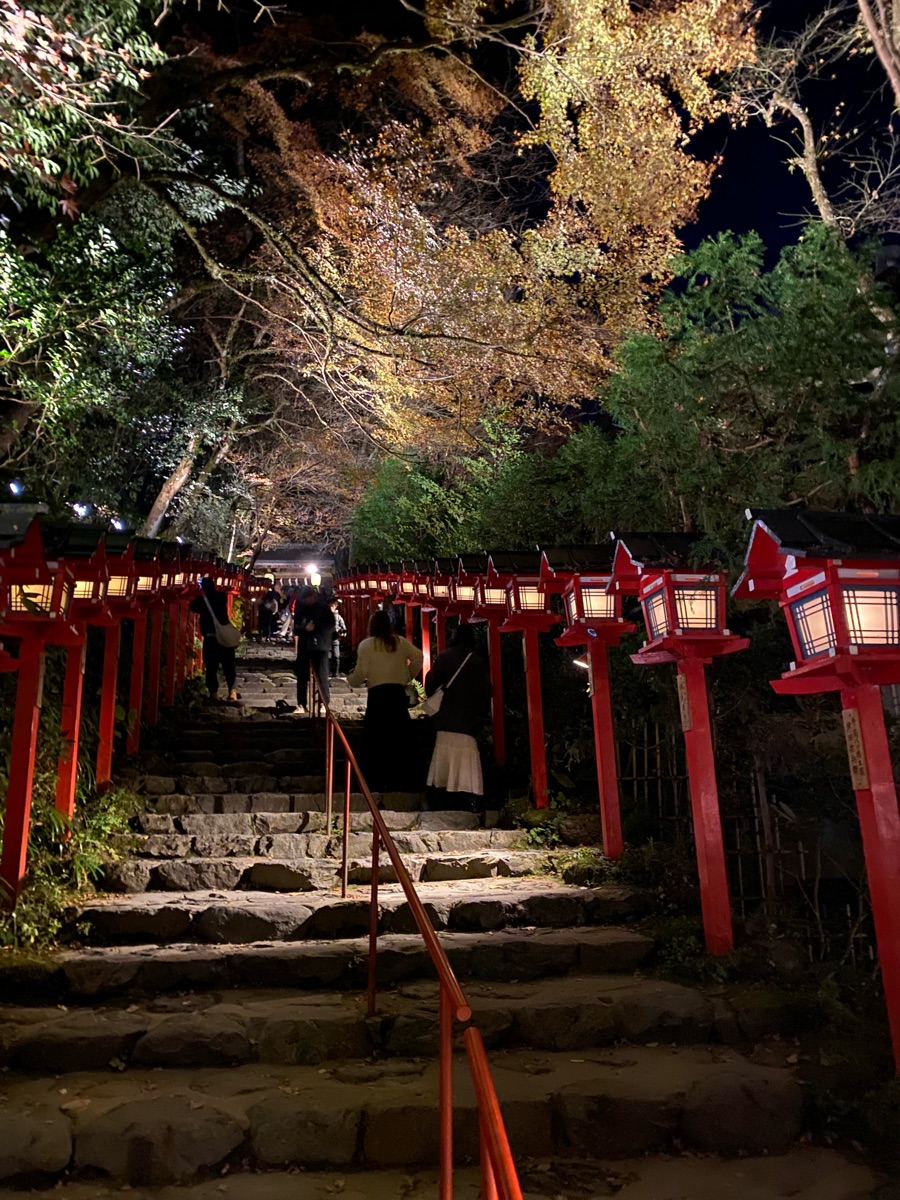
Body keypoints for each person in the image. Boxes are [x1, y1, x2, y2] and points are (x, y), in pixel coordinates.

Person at [347, 609, 423, 791]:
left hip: (378, 695)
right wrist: (407, 676)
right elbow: (419, 657)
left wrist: (351, 680)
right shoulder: (400, 642)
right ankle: (403, 776)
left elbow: (361, 672)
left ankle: (375, 777)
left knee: (376, 736)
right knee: (400, 736)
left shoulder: (367, 645)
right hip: (396, 693)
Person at [423, 622, 491, 811]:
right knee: (466, 756)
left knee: (445, 754)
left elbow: (430, 685)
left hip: (447, 715)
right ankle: (469, 794)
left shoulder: (446, 657)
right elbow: (486, 692)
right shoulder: (478, 661)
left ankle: (441, 792)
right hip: (469, 718)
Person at [190, 576, 239, 702]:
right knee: (229, 665)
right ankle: (232, 691)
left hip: (211, 638)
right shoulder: (221, 596)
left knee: (211, 667)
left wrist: (194, 591)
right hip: (224, 637)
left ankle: (213, 693)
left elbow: (192, 606)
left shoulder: (201, 600)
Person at [293, 585, 335, 711]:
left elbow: (330, 625)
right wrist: (303, 627)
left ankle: (323, 702)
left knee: (322, 675)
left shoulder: (323, 608)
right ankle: (301, 703)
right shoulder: (301, 608)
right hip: (305, 644)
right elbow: (296, 627)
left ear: (313, 596)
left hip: (320, 645)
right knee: (302, 675)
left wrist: (315, 628)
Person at [330, 599, 347, 677]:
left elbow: (344, 628)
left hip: (335, 639)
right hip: (326, 639)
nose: (331, 608)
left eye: (332, 606)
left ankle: (335, 672)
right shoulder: (324, 616)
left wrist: (342, 633)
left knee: (336, 656)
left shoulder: (338, 617)